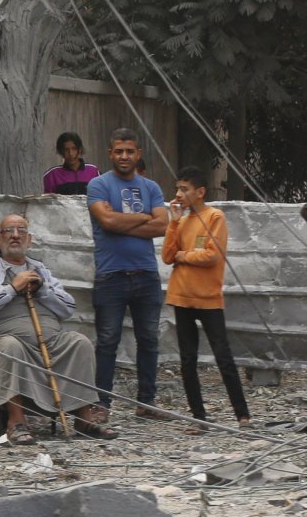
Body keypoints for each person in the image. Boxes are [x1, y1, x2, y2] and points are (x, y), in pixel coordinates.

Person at [0, 215, 118, 443]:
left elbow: (68, 307)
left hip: (50, 339)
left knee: (79, 342)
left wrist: (43, 290)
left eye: (21, 231)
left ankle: (84, 419)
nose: (15, 235)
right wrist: (12, 289)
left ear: (29, 240)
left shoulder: (39, 268)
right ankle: (16, 422)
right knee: (10, 346)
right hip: (1, 338)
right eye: (9, 231)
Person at [87, 128, 168, 417]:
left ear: (139, 154)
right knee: (108, 341)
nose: (124, 156)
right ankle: (102, 404)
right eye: (119, 151)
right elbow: (107, 221)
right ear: (110, 153)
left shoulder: (152, 188)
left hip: (146, 274)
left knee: (149, 339)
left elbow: (162, 226)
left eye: (130, 151)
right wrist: (144, 216)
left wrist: (123, 220)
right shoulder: (97, 185)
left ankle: (146, 403)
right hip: (111, 275)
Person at [163, 167, 251, 428]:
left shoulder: (215, 217)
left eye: (184, 189)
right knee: (187, 360)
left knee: (223, 356)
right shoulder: (181, 220)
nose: (178, 194)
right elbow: (168, 256)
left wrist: (184, 255)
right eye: (177, 188)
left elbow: (212, 255)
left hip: (209, 298)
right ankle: (198, 417)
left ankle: (242, 415)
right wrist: (173, 222)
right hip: (181, 297)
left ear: (200, 192)